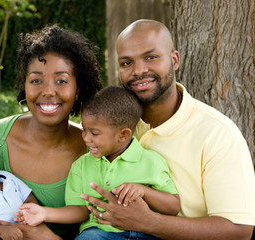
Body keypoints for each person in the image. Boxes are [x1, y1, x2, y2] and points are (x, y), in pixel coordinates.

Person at [81, 19, 255, 240]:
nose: (139, 71)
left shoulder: (217, 133)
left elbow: (239, 231)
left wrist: (149, 223)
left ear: (174, 60)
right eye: (127, 63)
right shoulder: (107, 127)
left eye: (151, 57)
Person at [0, 24, 103, 240]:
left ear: (78, 89)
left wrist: (41, 234)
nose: (48, 91)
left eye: (61, 81)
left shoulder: (95, 150)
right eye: (36, 80)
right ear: (24, 86)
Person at [14, 86, 180, 240]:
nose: (85, 138)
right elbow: (80, 210)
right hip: (100, 233)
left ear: (123, 135)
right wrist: (44, 213)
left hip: (147, 234)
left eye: (94, 133)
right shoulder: (81, 165)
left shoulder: (151, 161)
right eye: (84, 129)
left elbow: (173, 206)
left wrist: (143, 191)